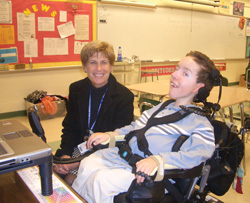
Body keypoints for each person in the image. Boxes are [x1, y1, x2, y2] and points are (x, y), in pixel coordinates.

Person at [72, 51, 217, 203]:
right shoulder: (162, 107)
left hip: (153, 176)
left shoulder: (199, 122)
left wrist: (159, 160)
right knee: (88, 163)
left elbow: (198, 154)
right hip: (125, 160)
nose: (174, 75)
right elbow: (136, 127)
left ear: (198, 87)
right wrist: (111, 135)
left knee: (101, 181)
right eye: (177, 68)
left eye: (185, 74)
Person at [53, 40, 134, 185]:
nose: (99, 68)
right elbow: (70, 128)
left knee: (71, 181)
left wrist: (77, 163)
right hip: (78, 148)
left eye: (104, 62)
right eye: (92, 62)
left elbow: (118, 141)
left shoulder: (124, 96)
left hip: (105, 155)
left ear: (111, 66)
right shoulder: (76, 89)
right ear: (84, 66)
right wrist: (65, 155)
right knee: (52, 174)